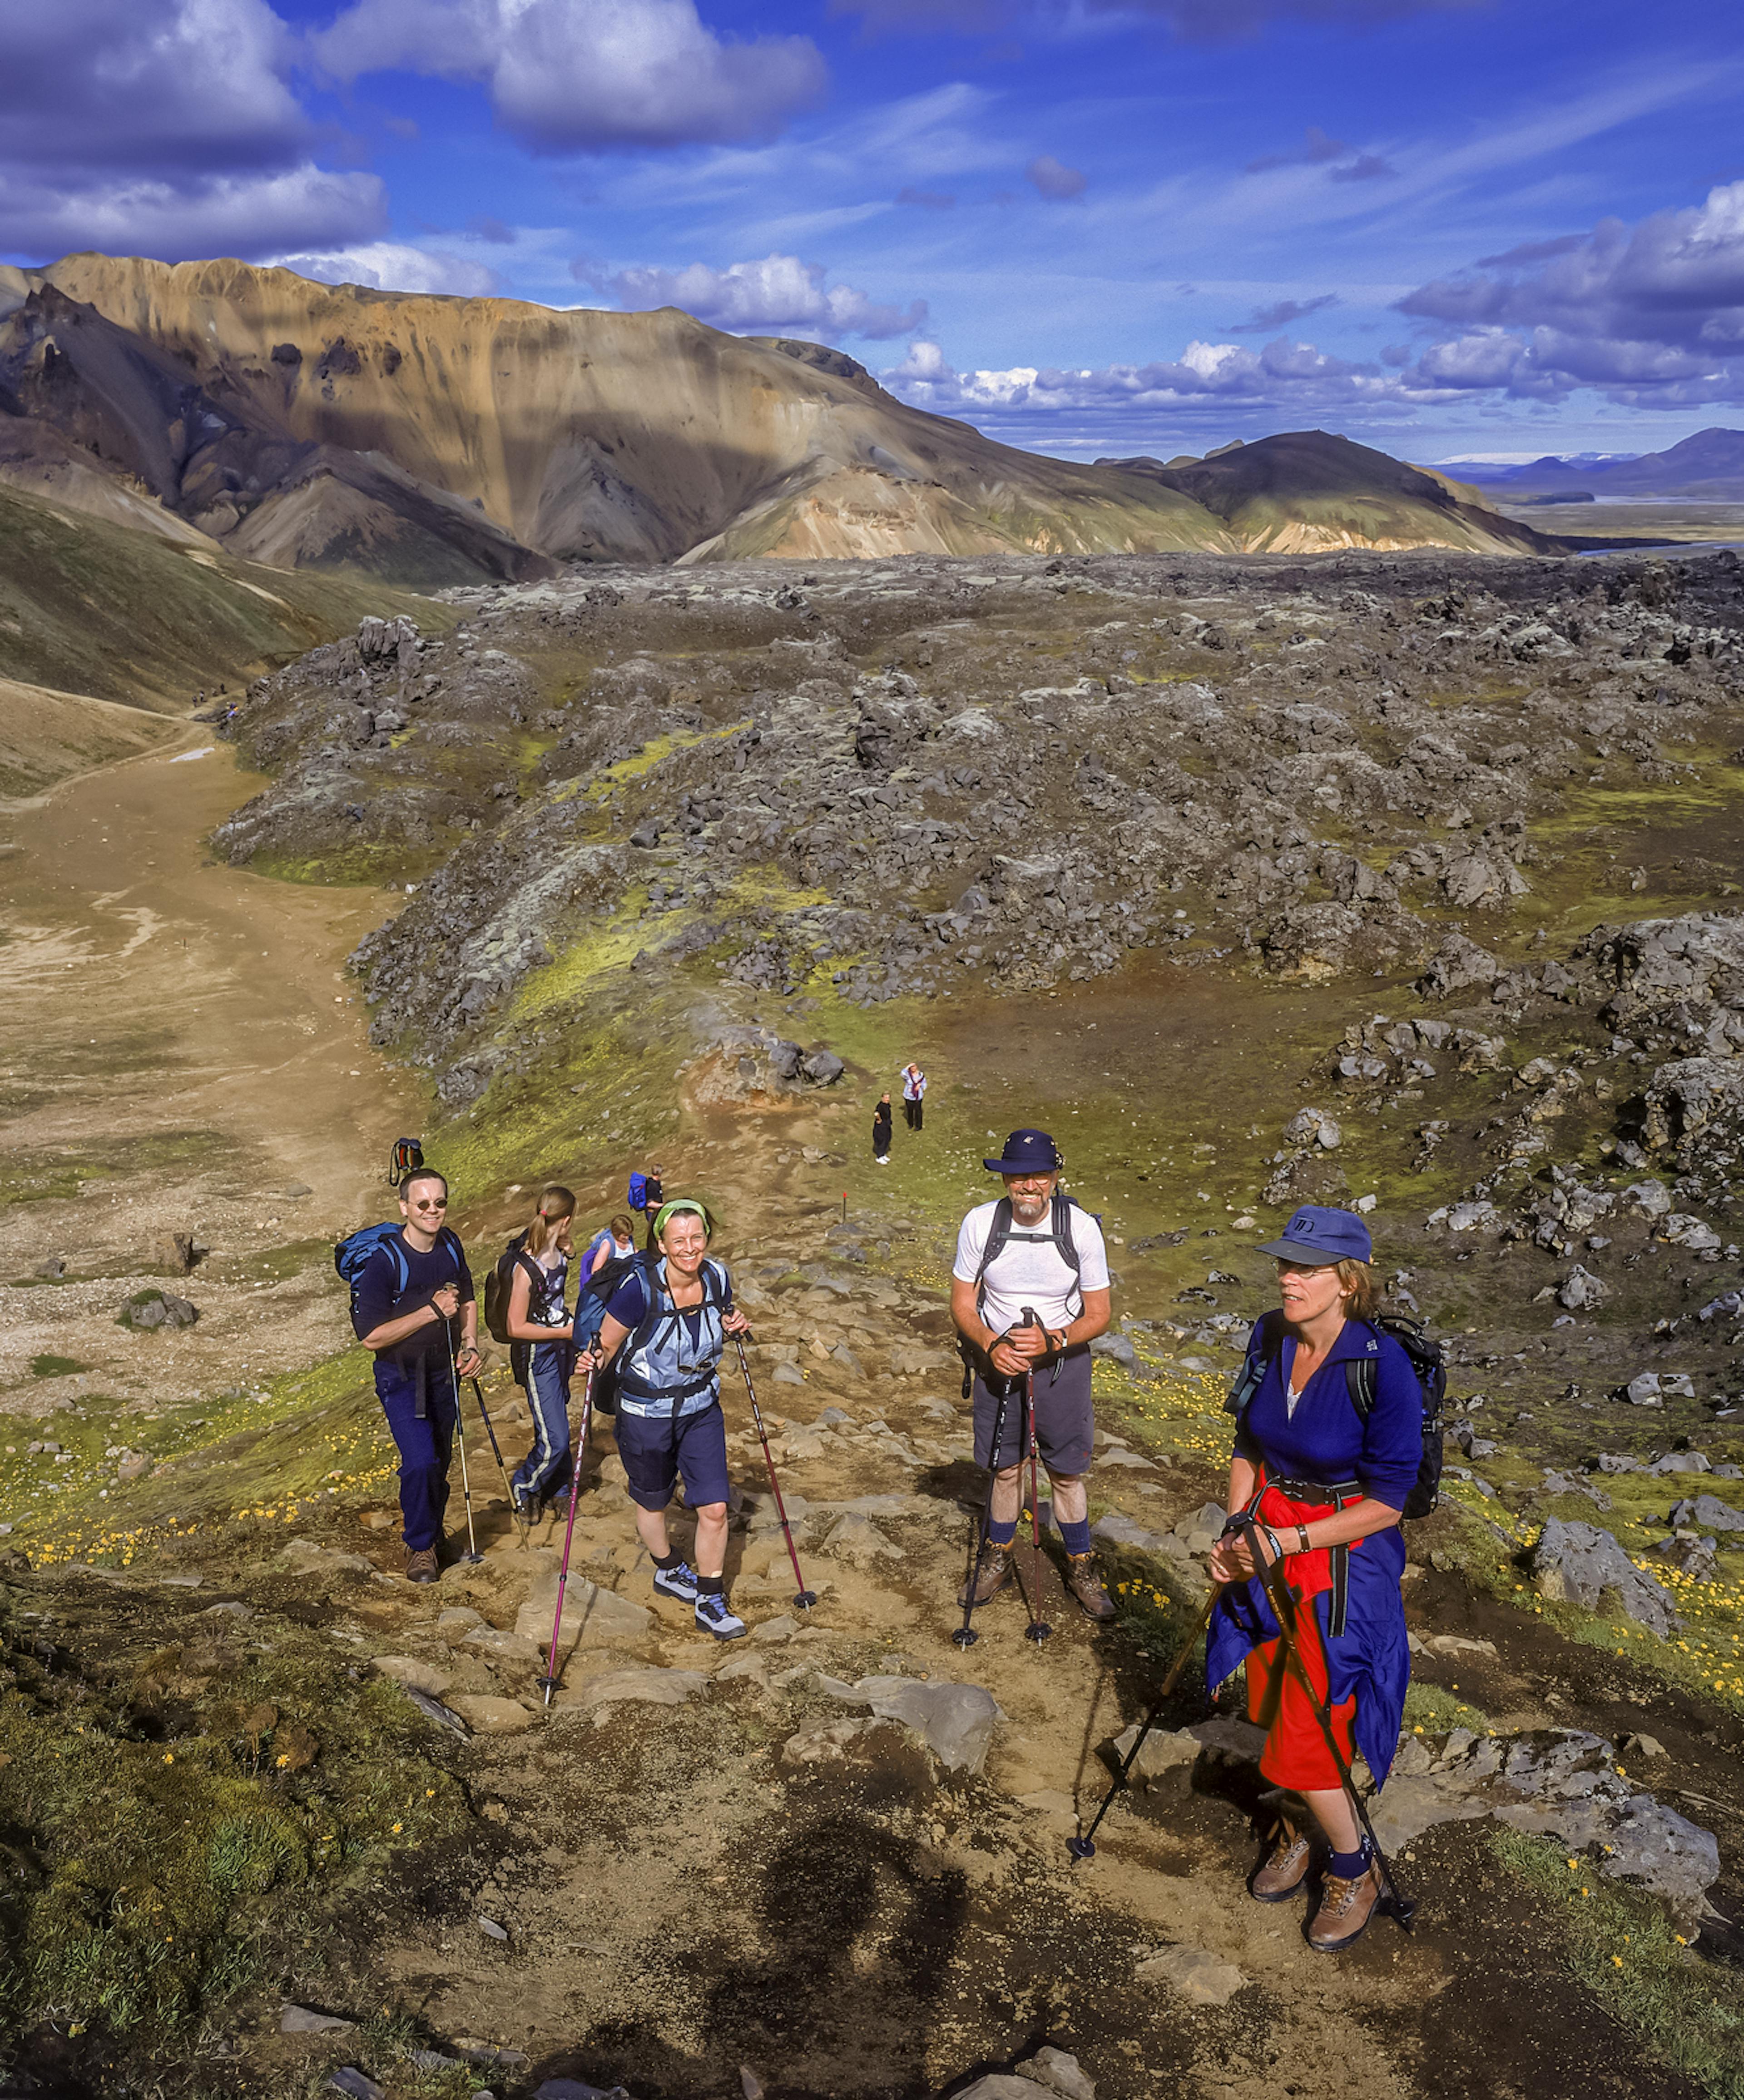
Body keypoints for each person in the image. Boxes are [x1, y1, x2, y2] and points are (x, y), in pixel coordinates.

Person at [1205, 1205, 1419, 1953]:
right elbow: (1245, 1440)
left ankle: (1353, 1867)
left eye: (1306, 1267)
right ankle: (1297, 1825)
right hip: (1266, 1532)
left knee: (1309, 1719)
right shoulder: (1270, 1332)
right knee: (1269, 1688)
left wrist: (1287, 1537)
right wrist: (1238, 1530)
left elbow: (1387, 1503)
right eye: (1285, 1264)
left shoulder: (1381, 1368)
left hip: (1341, 1551)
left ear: (1347, 1281)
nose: (1287, 1277)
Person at [950, 1128, 1116, 1622]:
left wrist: (1055, 1341)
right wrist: (990, 1345)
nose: (1029, 1186)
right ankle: (997, 1556)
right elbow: (962, 1302)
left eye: (1039, 1176)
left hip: (1063, 1364)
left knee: (1066, 1472)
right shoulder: (981, 1224)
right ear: (1004, 1179)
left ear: (1055, 1178)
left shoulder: (1081, 1228)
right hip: (998, 1365)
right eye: (1019, 1177)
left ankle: (1081, 1564)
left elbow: (1101, 1312)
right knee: (1006, 1468)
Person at [577, 1198, 752, 1641]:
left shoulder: (717, 1277)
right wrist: (592, 1360)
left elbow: (724, 1315)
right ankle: (668, 1568)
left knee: (714, 1507)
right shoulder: (639, 1289)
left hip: (701, 1409)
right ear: (662, 1243)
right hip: (645, 1415)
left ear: (707, 1237)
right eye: (679, 1240)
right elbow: (609, 1343)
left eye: (697, 1237)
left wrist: (734, 1325)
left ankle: (710, 1599)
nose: (690, 1248)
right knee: (653, 1500)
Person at [351, 1170, 481, 1583]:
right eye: (422, 1204)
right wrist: (430, 1311)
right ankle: (421, 1545)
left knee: (439, 1461)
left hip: (445, 1372)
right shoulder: (384, 1262)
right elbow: (371, 1337)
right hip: (401, 1376)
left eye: (439, 1203)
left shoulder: (451, 1244)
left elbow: (468, 1296)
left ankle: (433, 1534)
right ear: (404, 1207)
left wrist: (471, 1343)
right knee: (420, 1461)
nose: (433, 1211)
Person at [504, 1185, 579, 1519]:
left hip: (561, 1348)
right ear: (565, 1221)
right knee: (557, 1438)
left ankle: (558, 1487)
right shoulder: (527, 1267)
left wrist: (568, 1249)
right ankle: (525, 1486)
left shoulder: (559, 1251)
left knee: (554, 1419)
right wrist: (564, 1331)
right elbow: (515, 1327)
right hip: (538, 1355)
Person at [901, 1063, 926, 1132]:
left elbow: (925, 1084)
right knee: (910, 1111)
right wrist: (907, 1067)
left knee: (918, 1111)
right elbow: (902, 1074)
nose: (913, 1068)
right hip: (909, 1096)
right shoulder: (908, 1076)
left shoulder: (921, 1076)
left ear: (916, 1067)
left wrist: (920, 1085)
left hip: (918, 1097)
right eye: (911, 1067)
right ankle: (911, 1124)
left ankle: (919, 1126)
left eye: (914, 1067)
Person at [872, 1093, 893, 1164]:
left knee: (887, 1138)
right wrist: (879, 1120)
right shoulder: (880, 1106)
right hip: (881, 1126)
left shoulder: (887, 1105)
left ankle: (883, 1154)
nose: (888, 1099)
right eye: (886, 1098)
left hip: (887, 1125)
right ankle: (879, 1157)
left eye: (888, 1098)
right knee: (882, 1140)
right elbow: (876, 1113)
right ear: (882, 1098)